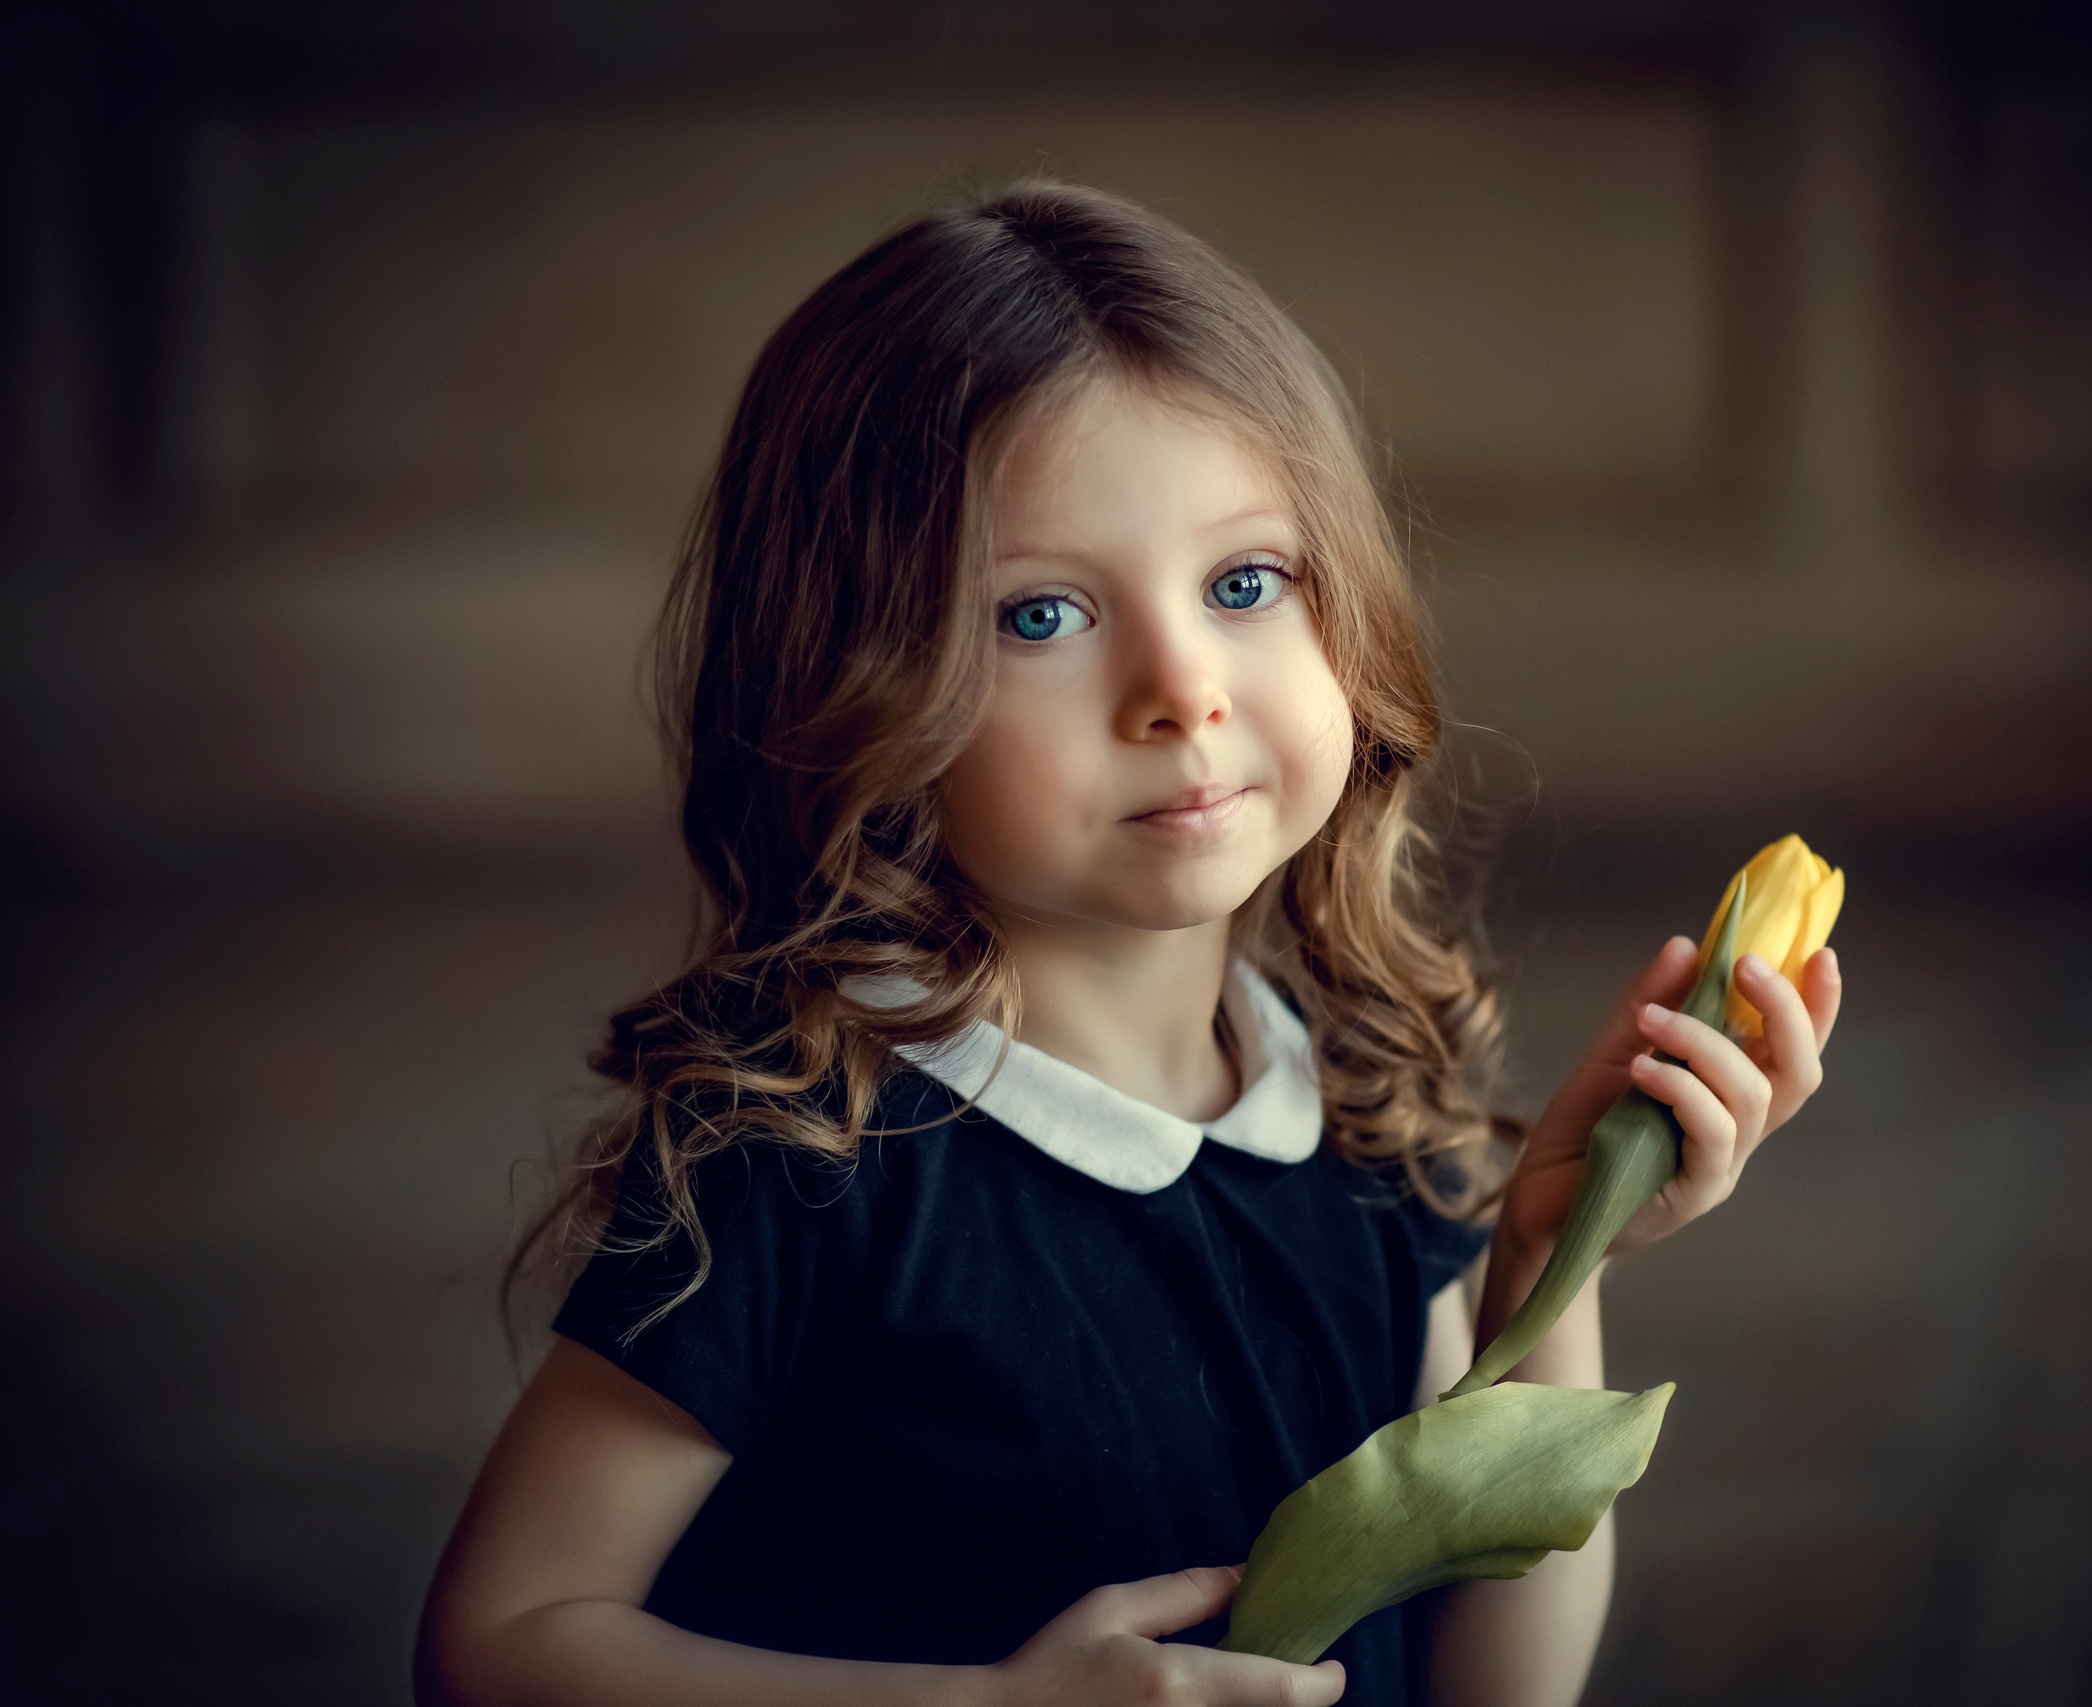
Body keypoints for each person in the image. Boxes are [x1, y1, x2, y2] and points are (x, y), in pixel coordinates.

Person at [415, 179, 1841, 1707]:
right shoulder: (796, 1156)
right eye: (1041, 617)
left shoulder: (1369, 1112)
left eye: (1244, 584)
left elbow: (1497, 1684)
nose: (1182, 688)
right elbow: (495, 1644)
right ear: (855, 679)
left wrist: (1551, 1276)